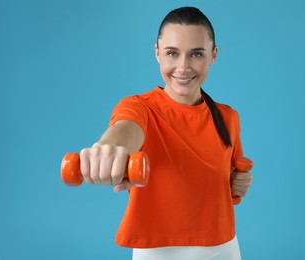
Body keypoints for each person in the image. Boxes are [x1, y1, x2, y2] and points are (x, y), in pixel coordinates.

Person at [79, 6, 253, 260]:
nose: (183, 67)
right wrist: (109, 148)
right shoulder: (140, 107)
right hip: (157, 252)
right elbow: (125, 130)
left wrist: (236, 183)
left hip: (222, 248)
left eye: (196, 54)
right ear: (157, 53)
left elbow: (221, 181)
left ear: (213, 55)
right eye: (172, 53)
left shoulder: (228, 118)